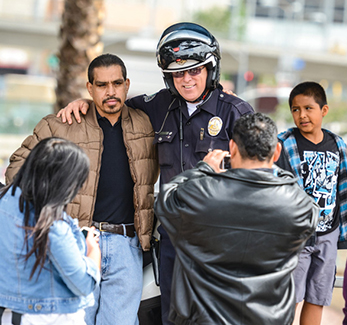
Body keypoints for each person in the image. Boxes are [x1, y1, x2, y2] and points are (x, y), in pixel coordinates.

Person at [56, 22, 254, 324]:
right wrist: (84, 102)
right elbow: (111, 104)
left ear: (211, 69)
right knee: (172, 317)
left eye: (195, 70)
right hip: (173, 237)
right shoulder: (156, 107)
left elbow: (261, 178)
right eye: (177, 73)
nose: (186, 80)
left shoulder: (235, 112)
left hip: (222, 241)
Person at [5, 54, 159, 325]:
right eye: (101, 85)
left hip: (127, 245)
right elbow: (17, 170)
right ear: (89, 88)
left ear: (127, 84)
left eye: (117, 83)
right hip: (76, 240)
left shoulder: (146, 124)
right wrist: (53, 214)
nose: (110, 92)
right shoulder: (62, 124)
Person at [154, 113, 318, 325]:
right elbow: (310, 209)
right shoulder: (297, 206)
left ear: (232, 147)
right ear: (276, 151)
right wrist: (275, 171)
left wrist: (204, 169)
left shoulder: (200, 195)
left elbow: (167, 198)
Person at [0, 137, 101, 325]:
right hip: (48, 317)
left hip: (9, 314)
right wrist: (92, 250)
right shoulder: (51, 224)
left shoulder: (5, 202)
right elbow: (83, 284)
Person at [275, 81, 347, 325]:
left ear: (324, 110)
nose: (302, 115)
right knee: (289, 299)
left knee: (317, 298)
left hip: (328, 234)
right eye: (295, 109)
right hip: (296, 236)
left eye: (308, 108)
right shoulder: (284, 143)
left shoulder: (337, 144)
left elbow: (343, 188)